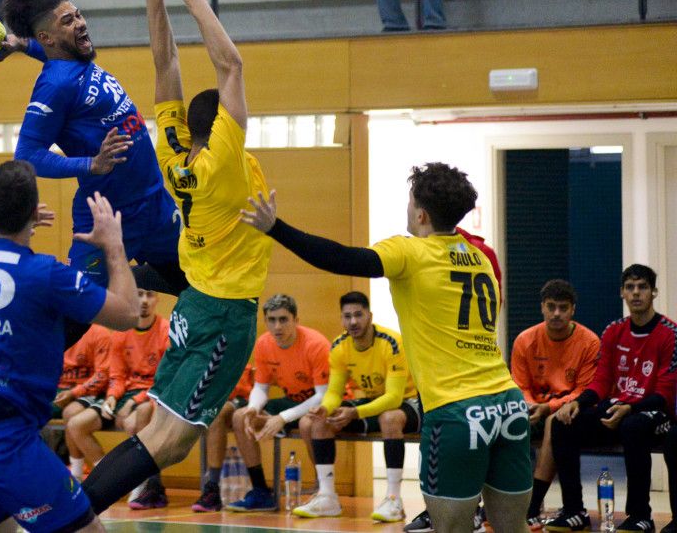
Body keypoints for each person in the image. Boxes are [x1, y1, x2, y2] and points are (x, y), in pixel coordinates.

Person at [80, 0, 275, 514]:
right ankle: (71, 515)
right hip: (222, 315)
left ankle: (73, 508)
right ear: (220, 130)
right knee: (168, 442)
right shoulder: (225, 164)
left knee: (159, 437)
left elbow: (166, 63)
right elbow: (231, 63)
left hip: (193, 304)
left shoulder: (173, 149)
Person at [242, 162, 531, 533]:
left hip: (457, 412)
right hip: (508, 405)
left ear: (421, 213)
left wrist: (275, 229)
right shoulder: (480, 259)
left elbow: (341, 257)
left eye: (410, 202)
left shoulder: (410, 252)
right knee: (514, 527)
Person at [0, 160, 140, 532]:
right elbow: (128, 312)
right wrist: (114, 245)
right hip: (3, 438)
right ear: (33, 212)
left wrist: (19, 223)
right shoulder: (45, 274)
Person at [0, 0, 185, 301]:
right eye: (67, 21)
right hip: (108, 216)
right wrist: (91, 164)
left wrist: (22, 44)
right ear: (48, 37)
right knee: (78, 313)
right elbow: (26, 153)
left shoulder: (72, 59)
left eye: (78, 14)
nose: (80, 23)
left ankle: (122, 278)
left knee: (195, 284)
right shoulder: (54, 85)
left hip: (153, 204)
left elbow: (57, 55)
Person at [545, 265, 676, 533]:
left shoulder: (669, 332)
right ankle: (574, 511)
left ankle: (641, 516)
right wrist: (576, 403)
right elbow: (601, 382)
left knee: (633, 426)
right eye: (630, 287)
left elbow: (665, 393)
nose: (636, 293)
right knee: (562, 423)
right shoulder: (613, 331)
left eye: (642, 287)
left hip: (654, 413)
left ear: (654, 292)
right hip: (620, 408)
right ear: (622, 293)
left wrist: (630, 408)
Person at [293, 291, 420, 522]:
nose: (353, 322)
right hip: (372, 401)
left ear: (369, 316)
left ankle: (393, 499)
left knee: (390, 418)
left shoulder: (392, 343)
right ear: (341, 319)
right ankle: (327, 496)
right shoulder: (340, 346)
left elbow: (393, 397)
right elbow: (333, 392)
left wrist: (355, 412)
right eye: (347, 316)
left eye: (358, 315)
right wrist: (326, 408)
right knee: (316, 421)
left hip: (408, 401)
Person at [65, 289, 169, 509]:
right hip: (124, 395)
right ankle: (110, 479)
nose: (143, 300)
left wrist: (134, 401)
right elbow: (117, 375)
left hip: (151, 395)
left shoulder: (165, 331)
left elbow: (164, 378)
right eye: (139, 294)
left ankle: (142, 485)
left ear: (157, 299)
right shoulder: (122, 332)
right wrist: (112, 397)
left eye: (149, 295)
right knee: (76, 424)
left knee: (138, 417)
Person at [509, 279, 599, 530]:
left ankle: (532, 505)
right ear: (542, 308)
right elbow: (520, 384)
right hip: (532, 409)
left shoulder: (589, 342)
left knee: (554, 422)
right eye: (551, 307)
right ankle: (491, 503)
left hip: (570, 412)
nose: (556, 313)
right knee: (502, 424)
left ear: (573, 310)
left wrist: (549, 407)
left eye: (563, 307)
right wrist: (527, 405)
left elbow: (585, 389)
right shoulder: (525, 340)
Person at [227, 294, 329, 512]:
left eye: (283, 319)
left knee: (307, 423)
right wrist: (254, 408)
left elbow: (322, 396)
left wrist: (282, 418)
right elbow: (261, 388)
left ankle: (324, 490)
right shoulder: (263, 344)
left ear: (296, 320)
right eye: (272, 320)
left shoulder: (316, 344)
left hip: (323, 404)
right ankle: (261, 492)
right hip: (292, 401)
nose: (277, 326)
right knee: (240, 416)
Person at [56, 322, 115, 480]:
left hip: (90, 391)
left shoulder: (99, 333)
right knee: (27, 410)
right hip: (57, 389)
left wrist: (74, 392)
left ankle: (78, 473)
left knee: (71, 414)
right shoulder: (54, 329)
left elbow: (103, 375)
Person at [191, 364, 253, 512]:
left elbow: (241, 388)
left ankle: (213, 486)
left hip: (237, 399)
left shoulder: (235, 347)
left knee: (215, 414)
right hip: (209, 402)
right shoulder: (201, 354)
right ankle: (150, 484)